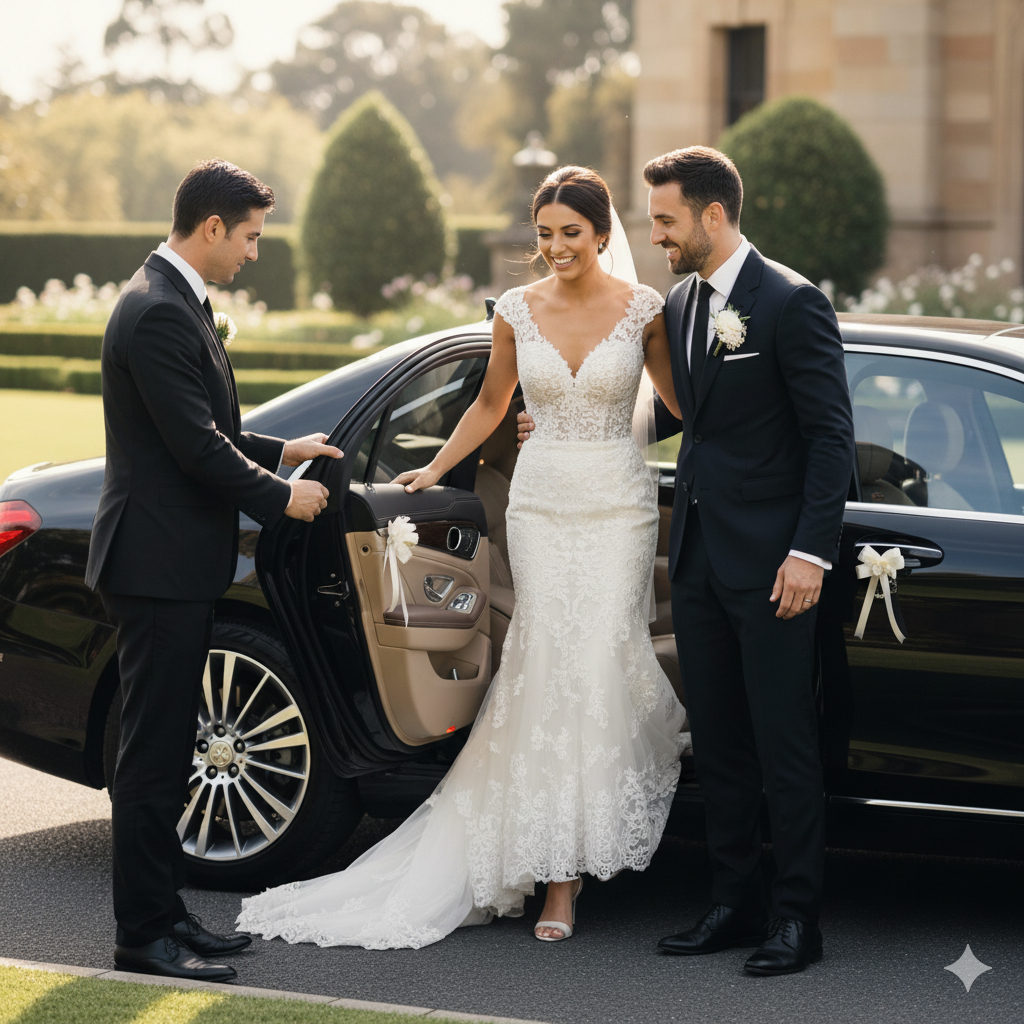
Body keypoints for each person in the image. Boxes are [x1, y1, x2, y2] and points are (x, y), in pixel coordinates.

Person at [235, 165, 688, 949]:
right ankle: (557, 879)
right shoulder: (517, 310)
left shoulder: (646, 310)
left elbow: (680, 406)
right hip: (543, 506)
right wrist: (436, 472)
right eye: (543, 235)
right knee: (551, 665)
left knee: (600, 664)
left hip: (619, 504)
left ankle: (579, 849)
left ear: (603, 235)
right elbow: (489, 402)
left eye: (570, 234)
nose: (554, 249)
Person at [520, 146, 854, 974]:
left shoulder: (792, 303)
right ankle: (733, 905)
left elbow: (829, 440)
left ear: (712, 216)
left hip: (778, 567)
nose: (656, 235)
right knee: (723, 746)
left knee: (785, 746)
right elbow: (690, 416)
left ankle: (796, 919)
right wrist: (563, 425)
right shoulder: (683, 302)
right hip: (698, 561)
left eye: (666, 220)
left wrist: (809, 551)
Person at [85, 159, 342, 982]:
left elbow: (202, 422)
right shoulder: (158, 312)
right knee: (155, 761)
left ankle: (167, 916)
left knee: (167, 754)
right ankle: (143, 937)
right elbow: (194, 448)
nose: (255, 253)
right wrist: (282, 497)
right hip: (156, 566)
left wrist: (280, 448)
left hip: (172, 565)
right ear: (211, 230)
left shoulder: (172, 301)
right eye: (252, 236)